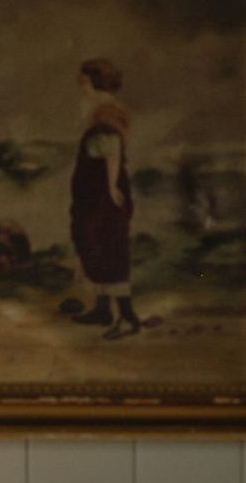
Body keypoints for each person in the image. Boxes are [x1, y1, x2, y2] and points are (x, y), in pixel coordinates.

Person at [69, 57, 140, 338]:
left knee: (107, 246)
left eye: (84, 83)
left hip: (103, 192)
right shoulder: (100, 110)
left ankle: (128, 317)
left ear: (96, 83)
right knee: (93, 242)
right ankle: (102, 309)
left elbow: (111, 151)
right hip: (94, 190)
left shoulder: (106, 113)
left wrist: (111, 188)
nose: (81, 88)